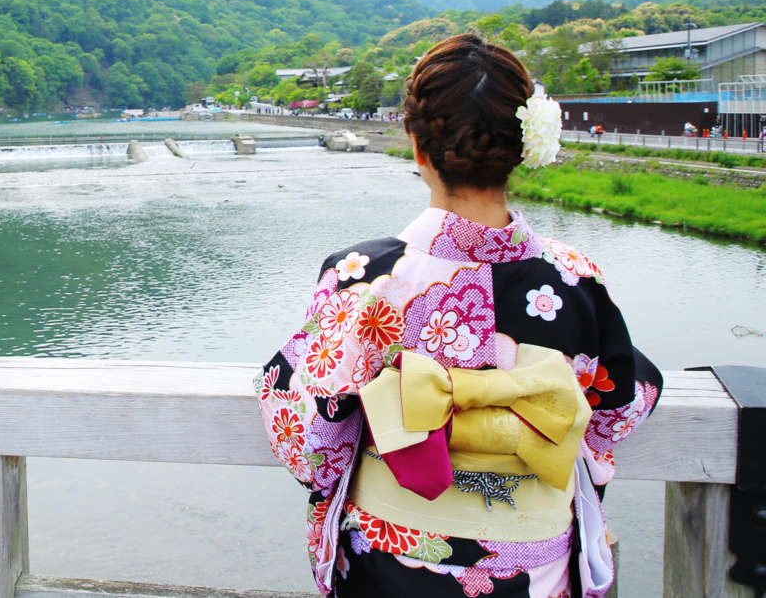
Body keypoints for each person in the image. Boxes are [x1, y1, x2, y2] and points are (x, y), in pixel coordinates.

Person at [255, 34, 661, 598]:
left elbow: (307, 433)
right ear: (522, 149)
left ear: (418, 148)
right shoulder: (576, 280)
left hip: (392, 560)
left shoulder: (363, 277)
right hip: (533, 569)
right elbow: (619, 407)